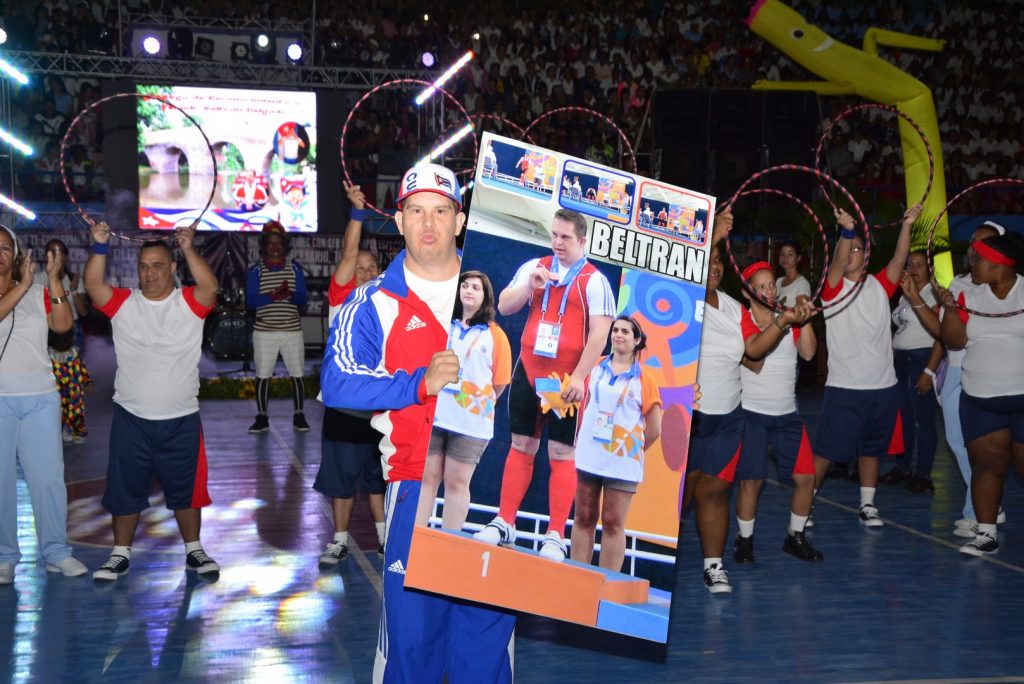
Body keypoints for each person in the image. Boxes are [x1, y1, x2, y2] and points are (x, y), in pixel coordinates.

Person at [321, 163, 515, 683]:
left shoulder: (493, 299)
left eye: (440, 211)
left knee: (486, 649)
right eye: (415, 211)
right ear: (400, 222)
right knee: (412, 653)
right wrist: (415, 384)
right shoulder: (373, 302)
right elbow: (336, 383)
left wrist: (670, 391)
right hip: (413, 491)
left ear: (460, 221)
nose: (428, 223)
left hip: (490, 492)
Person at [683, 212, 817, 594]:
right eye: (707, 261)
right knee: (681, 500)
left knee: (714, 494)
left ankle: (714, 567)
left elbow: (754, 352)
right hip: (690, 419)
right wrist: (714, 236)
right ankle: (655, 559)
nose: (713, 267)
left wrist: (784, 322)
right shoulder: (684, 298)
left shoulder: (732, 308)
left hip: (728, 420)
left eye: (718, 261)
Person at [474, 208, 615, 562]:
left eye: (565, 237)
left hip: (565, 379)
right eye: (554, 235)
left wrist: (580, 377)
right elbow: (504, 308)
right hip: (528, 371)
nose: (557, 242)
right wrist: (528, 284)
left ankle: (555, 533)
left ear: (582, 241)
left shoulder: (594, 280)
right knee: (521, 444)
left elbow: (601, 334)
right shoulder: (535, 265)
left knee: (561, 453)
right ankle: (505, 521)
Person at [84, 222, 220, 581]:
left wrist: (189, 248)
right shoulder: (124, 303)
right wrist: (99, 246)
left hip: (181, 420)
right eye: (143, 266)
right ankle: (119, 554)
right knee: (124, 491)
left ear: (173, 269)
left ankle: (194, 550)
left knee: (187, 491)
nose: (149, 273)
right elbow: (94, 286)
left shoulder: (189, 302)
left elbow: (210, 287)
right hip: (132, 419)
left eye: (158, 265)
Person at [812, 204, 922, 529]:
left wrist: (908, 225)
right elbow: (836, 263)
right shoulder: (832, 289)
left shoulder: (879, 286)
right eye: (849, 248)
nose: (851, 254)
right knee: (827, 454)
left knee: (872, 449)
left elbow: (900, 260)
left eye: (858, 248)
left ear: (867, 254)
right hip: (845, 387)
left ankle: (867, 505)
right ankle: (807, 505)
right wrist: (846, 231)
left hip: (883, 387)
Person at [906, 222, 1006, 536]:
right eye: (973, 242)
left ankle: (982, 510)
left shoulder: (1008, 287)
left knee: (978, 446)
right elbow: (943, 334)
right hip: (957, 370)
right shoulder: (961, 282)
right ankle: (982, 508)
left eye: (983, 243)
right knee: (960, 442)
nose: (975, 248)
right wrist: (917, 300)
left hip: (990, 374)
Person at [0, 224, 87, 585]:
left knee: (49, 479)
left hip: (40, 397)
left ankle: (56, 553)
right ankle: (4, 557)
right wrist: (22, 284)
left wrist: (52, 281)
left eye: (5, 247)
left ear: (16, 254)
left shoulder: (36, 292)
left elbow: (64, 325)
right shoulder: (23, 288)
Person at [937, 232, 1024, 556]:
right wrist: (949, 310)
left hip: (1021, 397)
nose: (971, 263)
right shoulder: (969, 295)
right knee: (986, 466)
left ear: (998, 263)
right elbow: (955, 342)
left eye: (978, 258)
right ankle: (986, 534)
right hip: (979, 399)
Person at [315, 181, 387, 565]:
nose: (364, 272)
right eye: (359, 268)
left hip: (379, 405)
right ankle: (339, 540)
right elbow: (348, 252)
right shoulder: (341, 298)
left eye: (371, 267)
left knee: (378, 476)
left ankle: (384, 537)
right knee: (342, 478)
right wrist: (357, 212)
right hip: (343, 404)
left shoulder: (390, 302)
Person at [733, 262, 823, 564]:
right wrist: (785, 322)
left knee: (806, 478)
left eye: (772, 284)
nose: (769, 290)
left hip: (787, 416)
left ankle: (795, 537)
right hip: (751, 415)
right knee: (751, 482)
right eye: (761, 286)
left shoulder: (787, 319)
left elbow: (809, 353)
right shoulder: (740, 321)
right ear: (748, 294)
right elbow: (755, 352)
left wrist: (805, 320)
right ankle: (744, 540)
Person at [419, 271, 512, 530]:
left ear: (486, 297)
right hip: (435, 414)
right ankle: (416, 539)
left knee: (457, 482)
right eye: (465, 285)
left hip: (471, 423)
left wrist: (472, 403)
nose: (469, 291)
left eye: (476, 288)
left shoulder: (496, 336)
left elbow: (500, 382)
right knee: (427, 477)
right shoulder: (441, 324)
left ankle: (449, 542)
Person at [569, 315, 662, 572]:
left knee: (612, 522)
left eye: (625, 332)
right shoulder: (595, 367)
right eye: (615, 330)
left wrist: (628, 451)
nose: (618, 335)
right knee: (583, 517)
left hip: (622, 462)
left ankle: (607, 582)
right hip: (590, 455)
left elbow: (654, 429)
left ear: (637, 340)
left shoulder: (645, 379)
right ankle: (578, 576)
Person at [881, 250, 941, 491]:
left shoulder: (934, 295)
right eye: (910, 264)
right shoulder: (906, 293)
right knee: (904, 418)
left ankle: (924, 475)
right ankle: (903, 467)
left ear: (930, 269)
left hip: (921, 360)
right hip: (902, 362)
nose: (914, 268)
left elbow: (942, 336)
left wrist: (929, 371)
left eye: (919, 264)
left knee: (922, 420)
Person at [246, 221, 310, 434]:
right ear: (264, 246)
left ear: (285, 245)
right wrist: (273, 295)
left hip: (292, 331)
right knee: (263, 376)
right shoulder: (256, 270)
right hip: (264, 332)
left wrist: (289, 294)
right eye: (270, 243)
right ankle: (262, 417)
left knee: (298, 374)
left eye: (278, 243)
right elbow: (251, 301)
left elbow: (303, 298)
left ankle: (299, 415)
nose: (274, 247)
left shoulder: (295, 268)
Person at [49, 328, 91, 444]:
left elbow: (81, 368)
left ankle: (77, 433)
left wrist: (87, 381)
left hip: (73, 390)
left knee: (75, 412)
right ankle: (60, 432)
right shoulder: (50, 354)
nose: (63, 342)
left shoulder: (74, 352)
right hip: (57, 390)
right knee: (58, 412)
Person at [775, 240, 812, 308]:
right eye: (782, 254)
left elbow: (801, 313)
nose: (785, 258)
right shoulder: (779, 281)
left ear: (798, 258)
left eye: (790, 254)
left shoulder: (802, 283)